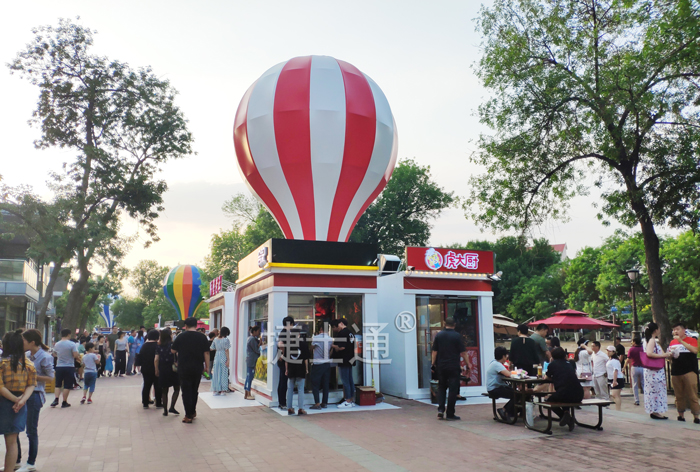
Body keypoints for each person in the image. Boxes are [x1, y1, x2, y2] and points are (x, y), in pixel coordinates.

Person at [16, 329, 53, 472]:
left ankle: (31, 463)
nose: (22, 343)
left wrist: (31, 376)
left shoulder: (45, 357)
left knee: (31, 430)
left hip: (35, 395)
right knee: (15, 428)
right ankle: (16, 460)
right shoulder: (26, 355)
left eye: (24, 341)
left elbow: (50, 378)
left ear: (32, 342)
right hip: (22, 393)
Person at [0, 330, 36, 472]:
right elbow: (31, 385)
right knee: (12, 442)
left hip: (4, 401)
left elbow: (0, 386)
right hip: (19, 404)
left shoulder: (2, 363)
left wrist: (15, 399)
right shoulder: (29, 364)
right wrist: (21, 400)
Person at [431, 317, 471, 421]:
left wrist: (433, 364)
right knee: (453, 390)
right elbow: (463, 352)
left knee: (441, 387)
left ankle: (440, 409)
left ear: (445, 324)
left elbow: (434, 351)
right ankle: (450, 413)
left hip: (441, 366)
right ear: (454, 325)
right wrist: (468, 364)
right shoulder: (457, 336)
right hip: (453, 366)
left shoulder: (439, 335)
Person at [171, 317, 211, 424]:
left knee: (186, 391)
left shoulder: (181, 336)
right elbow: (207, 352)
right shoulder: (202, 337)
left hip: (184, 368)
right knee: (194, 390)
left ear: (186, 326)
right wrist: (207, 367)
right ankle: (192, 411)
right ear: (196, 325)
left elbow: (173, 350)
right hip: (197, 367)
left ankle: (188, 415)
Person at [544, 347, 584, 429]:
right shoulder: (569, 364)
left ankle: (566, 417)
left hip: (564, 394)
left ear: (553, 356)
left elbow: (546, 378)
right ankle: (566, 413)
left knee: (549, 401)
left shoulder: (553, 364)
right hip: (579, 394)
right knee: (564, 395)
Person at [669, 322, 700, 423]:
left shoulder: (692, 340)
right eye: (674, 330)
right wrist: (670, 355)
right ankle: (680, 415)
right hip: (676, 371)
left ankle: (696, 416)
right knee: (679, 395)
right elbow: (669, 357)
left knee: (692, 395)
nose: (675, 331)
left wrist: (681, 341)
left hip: (689, 371)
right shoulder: (672, 342)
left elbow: (695, 350)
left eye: (677, 329)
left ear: (683, 330)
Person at [644, 322, 673, 420]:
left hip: (651, 371)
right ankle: (655, 411)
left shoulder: (648, 340)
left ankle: (654, 410)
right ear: (655, 330)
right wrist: (663, 355)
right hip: (655, 371)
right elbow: (649, 353)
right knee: (657, 390)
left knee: (653, 391)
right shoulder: (652, 340)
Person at [51, 329, 80, 408]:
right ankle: (64, 401)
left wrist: (60, 356)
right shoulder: (72, 344)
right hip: (69, 366)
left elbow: (54, 354)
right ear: (68, 334)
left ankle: (56, 399)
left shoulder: (57, 344)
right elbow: (75, 355)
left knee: (58, 384)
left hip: (59, 366)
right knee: (67, 385)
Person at [284, 325, 309, 415]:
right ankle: (301, 408)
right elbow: (305, 359)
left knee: (290, 388)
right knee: (300, 389)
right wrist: (306, 369)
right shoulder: (303, 344)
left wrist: (286, 369)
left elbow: (286, 359)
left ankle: (289, 408)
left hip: (291, 369)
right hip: (300, 369)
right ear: (299, 334)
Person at [155, 328, 180, 417]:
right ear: (170, 335)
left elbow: (156, 359)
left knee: (164, 390)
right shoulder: (173, 344)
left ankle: (165, 410)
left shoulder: (159, 346)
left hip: (163, 368)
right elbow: (178, 355)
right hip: (173, 369)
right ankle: (172, 406)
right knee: (176, 388)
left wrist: (156, 369)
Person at [486, 346, 515, 422]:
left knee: (517, 393)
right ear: (503, 356)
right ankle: (504, 410)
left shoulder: (494, 363)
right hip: (494, 389)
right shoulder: (497, 364)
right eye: (506, 356)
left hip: (496, 387)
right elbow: (508, 374)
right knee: (516, 394)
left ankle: (511, 412)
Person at [310, 322, 333, 410]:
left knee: (315, 383)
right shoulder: (330, 339)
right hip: (327, 363)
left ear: (320, 329)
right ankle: (324, 403)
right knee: (325, 383)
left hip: (318, 364)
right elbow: (330, 350)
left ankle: (317, 403)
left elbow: (311, 348)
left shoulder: (316, 338)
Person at [139, 330, 162, 409]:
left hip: (145, 368)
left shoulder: (144, 345)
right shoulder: (158, 346)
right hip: (156, 368)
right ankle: (158, 402)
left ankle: (145, 403)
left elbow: (140, 357)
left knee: (146, 385)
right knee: (157, 386)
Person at [275, 317, 294, 410]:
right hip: (283, 361)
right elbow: (281, 344)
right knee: (283, 382)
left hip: (282, 360)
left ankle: (282, 402)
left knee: (283, 381)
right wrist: (283, 354)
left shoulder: (284, 332)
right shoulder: (285, 333)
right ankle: (282, 402)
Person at [623, 336, 644, 406]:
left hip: (634, 367)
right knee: (644, 383)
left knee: (635, 384)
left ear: (634, 342)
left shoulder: (631, 349)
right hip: (642, 367)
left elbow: (628, 359)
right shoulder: (643, 349)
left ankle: (636, 400)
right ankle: (647, 399)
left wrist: (624, 367)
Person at [212, 327, 232, 396]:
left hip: (217, 356)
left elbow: (212, 348)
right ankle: (223, 390)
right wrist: (228, 359)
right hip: (223, 356)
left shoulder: (215, 339)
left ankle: (215, 390)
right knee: (224, 373)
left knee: (216, 373)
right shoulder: (226, 340)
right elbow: (226, 350)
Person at [605, 346, 625, 410]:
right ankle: (618, 409)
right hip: (612, 378)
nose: (608, 352)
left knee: (615, 395)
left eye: (609, 351)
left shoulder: (615, 361)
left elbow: (615, 370)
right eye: (607, 351)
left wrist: (614, 380)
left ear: (613, 352)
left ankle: (618, 409)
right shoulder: (610, 360)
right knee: (615, 395)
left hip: (617, 378)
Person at [243, 326, 260, 399]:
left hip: (250, 360)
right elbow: (256, 349)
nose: (259, 332)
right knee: (250, 377)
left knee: (249, 376)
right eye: (258, 331)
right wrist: (260, 345)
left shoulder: (250, 338)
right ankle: (248, 393)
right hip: (251, 360)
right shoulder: (252, 339)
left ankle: (246, 393)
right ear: (255, 331)